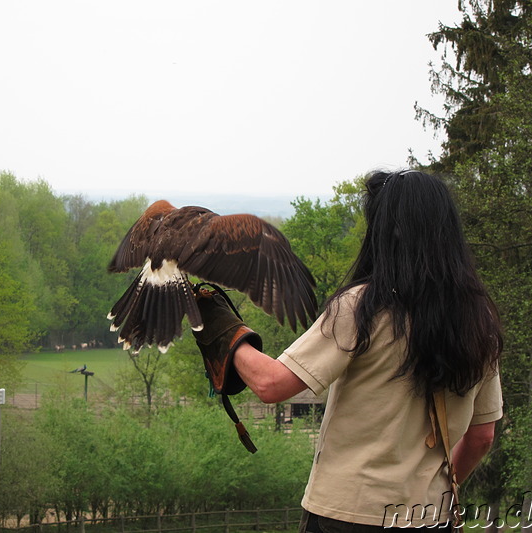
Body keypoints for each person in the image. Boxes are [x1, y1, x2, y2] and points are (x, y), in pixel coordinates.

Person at [194, 170, 503, 531]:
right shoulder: (479, 318)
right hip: (429, 517)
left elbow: (270, 384)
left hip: (347, 513)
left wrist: (218, 326)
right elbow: (482, 437)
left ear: (386, 233)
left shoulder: (362, 307)